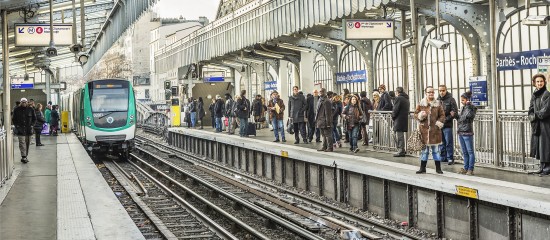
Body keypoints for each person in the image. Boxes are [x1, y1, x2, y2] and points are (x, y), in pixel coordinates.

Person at [414, 86, 445, 174]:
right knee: (424, 151)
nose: (431, 93)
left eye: (432, 92)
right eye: (429, 92)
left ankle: (438, 169)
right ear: (426, 93)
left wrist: (438, 123)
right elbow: (415, 114)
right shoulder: (421, 103)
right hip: (424, 131)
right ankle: (422, 168)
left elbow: (442, 115)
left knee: (436, 151)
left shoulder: (438, 103)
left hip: (435, 131)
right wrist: (420, 115)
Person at [528, 73, 550, 176]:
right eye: (537, 82)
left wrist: (535, 116)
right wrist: (532, 116)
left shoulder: (547, 94)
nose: (539, 83)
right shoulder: (534, 94)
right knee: (539, 146)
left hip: (546, 125)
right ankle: (542, 167)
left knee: (545, 145)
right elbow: (530, 109)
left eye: (541, 81)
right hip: (537, 125)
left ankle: (547, 168)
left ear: (544, 82)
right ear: (534, 83)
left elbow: (546, 110)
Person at [456, 91, 477, 175]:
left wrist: (468, 105)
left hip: (467, 132)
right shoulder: (462, 108)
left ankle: (470, 169)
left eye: (463, 100)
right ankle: (465, 167)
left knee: (470, 151)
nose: (462, 101)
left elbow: (468, 116)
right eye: (461, 100)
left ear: (468, 100)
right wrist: (455, 115)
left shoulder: (472, 108)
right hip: (461, 131)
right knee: (464, 152)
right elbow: (461, 118)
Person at [437, 85, 459, 165]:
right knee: (441, 142)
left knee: (448, 142)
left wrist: (444, 120)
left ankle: (450, 158)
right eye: (440, 90)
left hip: (447, 125)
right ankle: (443, 157)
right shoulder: (437, 100)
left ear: (446, 90)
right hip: (439, 125)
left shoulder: (451, 100)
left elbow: (454, 112)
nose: (441, 92)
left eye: (443, 90)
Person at [12, 98, 36, 163]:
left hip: (29, 130)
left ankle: (25, 155)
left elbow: (34, 119)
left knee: (27, 144)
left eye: (25, 102)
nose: (24, 103)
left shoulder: (31, 109)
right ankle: (23, 156)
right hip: (20, 130)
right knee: (22, 143)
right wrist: (17, 126)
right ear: (20, 102)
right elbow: (14, 119)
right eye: (22, 102)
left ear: (27, 102)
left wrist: (32, 125)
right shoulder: (16, 110)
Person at [392, 87, 410, 157]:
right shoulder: (406, 98)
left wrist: (393, 116)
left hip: (398, 119)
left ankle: (401, 150)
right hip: (404, 118)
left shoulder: (399, 98)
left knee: (399, 136)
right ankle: (402, 150)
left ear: (397, 92)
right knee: (401, 135)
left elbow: (395, 109)